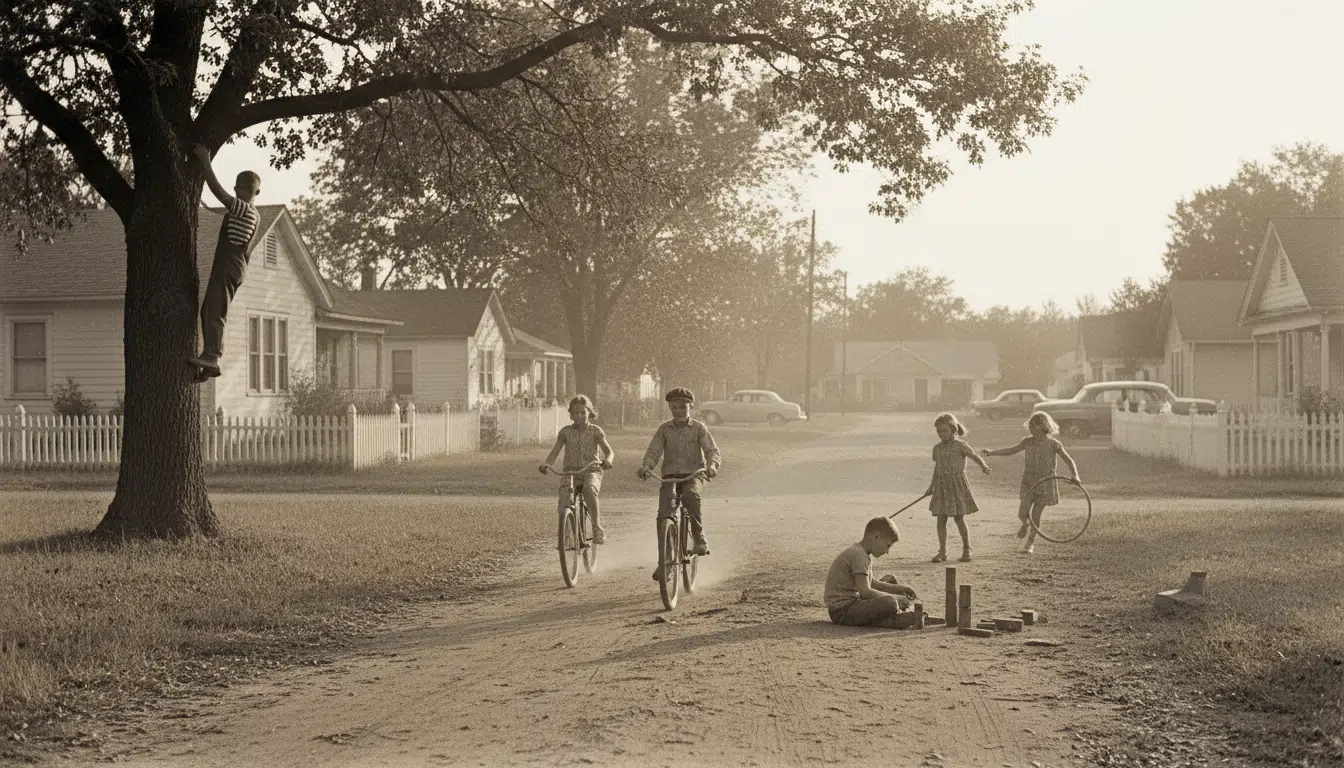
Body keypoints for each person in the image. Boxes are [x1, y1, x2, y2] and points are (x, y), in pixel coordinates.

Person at [188, 145, 262, 382]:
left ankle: (212, 355)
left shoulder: (242, 208)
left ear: (239, 190)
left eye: (244, 191)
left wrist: (205, 161)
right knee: (209, 309)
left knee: (215, 311)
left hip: (229, 264)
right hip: (236, 265)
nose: (243, 195)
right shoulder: (254, 213)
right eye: (245, 191)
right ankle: (210, 364)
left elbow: (219, 192)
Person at [638, 387, 721, 580]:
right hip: (670, 477)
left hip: (694, 475)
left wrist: (713, 466)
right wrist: (647, 466)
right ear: (669, 408)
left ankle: (699, 536)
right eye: (674, 407)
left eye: (682, 407)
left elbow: (711, 451)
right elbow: (654, 451)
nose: (678, 411)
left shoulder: (699, 428)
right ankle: (665, 562)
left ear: (690, 406)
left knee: (692, 495)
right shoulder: (664, 429)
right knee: (663, 516)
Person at [981, 412, 1081, 554]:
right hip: (1029, 482)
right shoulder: (1027, 441)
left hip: (1046, 483)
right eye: (1029, 426)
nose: (1030, 430)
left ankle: (1030, 543)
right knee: (1023, 513)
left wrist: (1075, 475)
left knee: (1036, 515)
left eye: (1033, 427)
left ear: (1043, 427)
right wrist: (991, 453)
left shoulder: (1054, 444)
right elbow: (1011, 450)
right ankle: (1025, 523)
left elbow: (1069, 460)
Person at [540, 395, 615, 544]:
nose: (579, 416)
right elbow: (555, 452)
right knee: (563, 501)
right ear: (571, 414)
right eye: (575, 413)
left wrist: (608, 461)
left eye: (582, 412)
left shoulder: (595, 431)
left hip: (591, 469)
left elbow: (609, 452)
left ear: (589, 412)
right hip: (571, 472)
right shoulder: (565, 432)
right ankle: (567, 532)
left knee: (589, 490)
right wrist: (547, 464)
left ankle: (596, 527)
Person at [824, 517, 921, 629]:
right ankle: (891, 620)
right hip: (843, 611)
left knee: (890, 579)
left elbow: (872, 583)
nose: (887, 551)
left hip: (849, 606)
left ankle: (894, 616)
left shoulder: (861, 552)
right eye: (888, 545)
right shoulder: (858, 555)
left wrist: (901, 589)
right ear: (876, 537)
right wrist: (896, 598)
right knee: (890, 603)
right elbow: (865, 592)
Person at [926, 412, 991, 563]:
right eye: (938, 431)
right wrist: (931, 487)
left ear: (953, 429)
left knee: (958, 518)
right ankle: (942, 552)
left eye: (944, 431)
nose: (941, 434)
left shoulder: (960, 445)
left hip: (957, 485)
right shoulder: (937, 448)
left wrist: (984, 466)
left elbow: (975, 456)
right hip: (942, 486)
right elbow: (938, 468)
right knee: (940, 519)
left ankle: (967, 548)